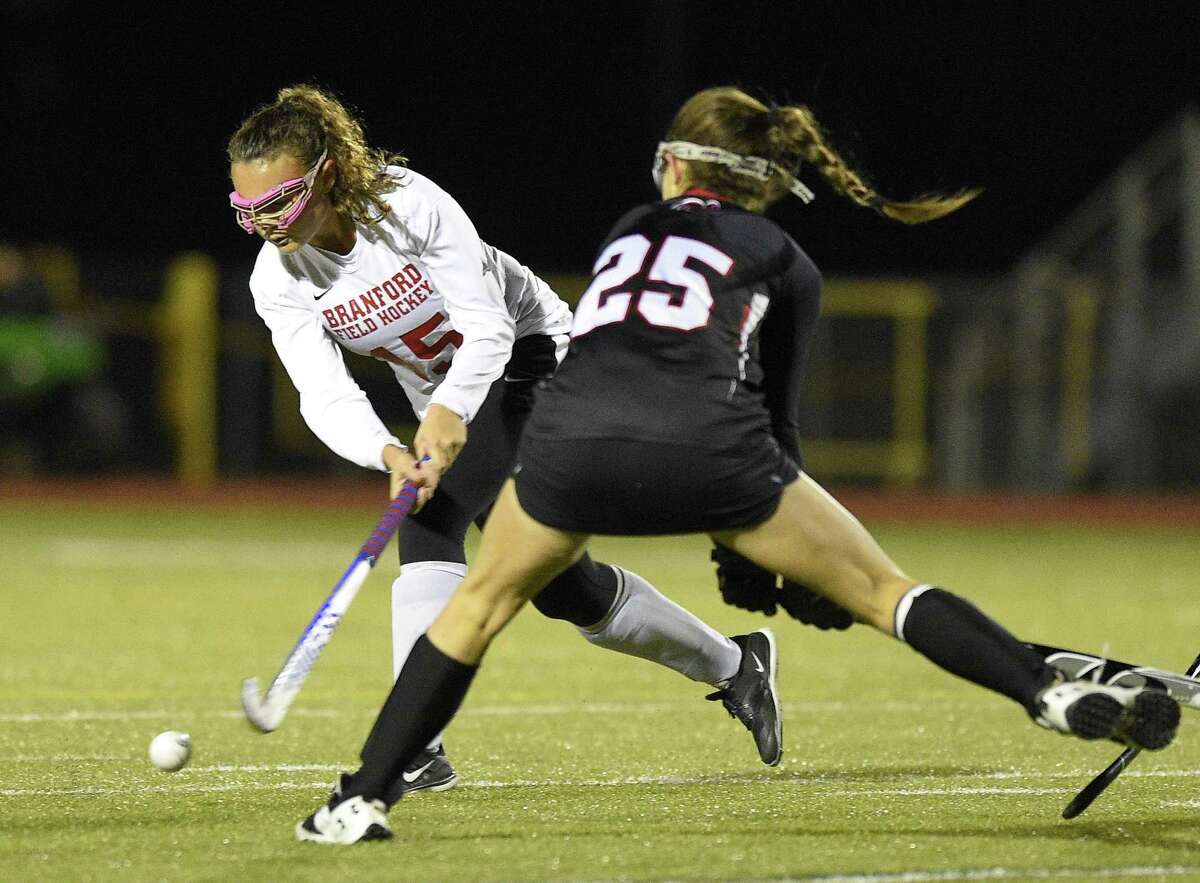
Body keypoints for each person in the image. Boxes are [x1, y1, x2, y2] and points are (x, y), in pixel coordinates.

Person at [293, 85, 1182, 844]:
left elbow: (607, 347)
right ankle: (1043, 692)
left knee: (478, 605)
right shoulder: (784, 258)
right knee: (885, 593)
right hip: (709, 454)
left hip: (569, 446)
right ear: (768, 180)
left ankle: (359, 794)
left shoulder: (627, 230)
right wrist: (755, 552)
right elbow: (774, 427)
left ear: (674, 168)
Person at [227, 85, 786, 801]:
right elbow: (321, 391)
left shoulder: (408, 206)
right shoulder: (277, 276)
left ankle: (414, 745)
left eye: (280, 201)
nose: (266, 223)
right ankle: (734, 664)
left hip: (533, 354)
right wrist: (387, 452)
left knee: (448, 531)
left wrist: (451, 411)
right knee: (548, 582)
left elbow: (487, 325)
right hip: (447, 398)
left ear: (329, 174)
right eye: (247, 211)